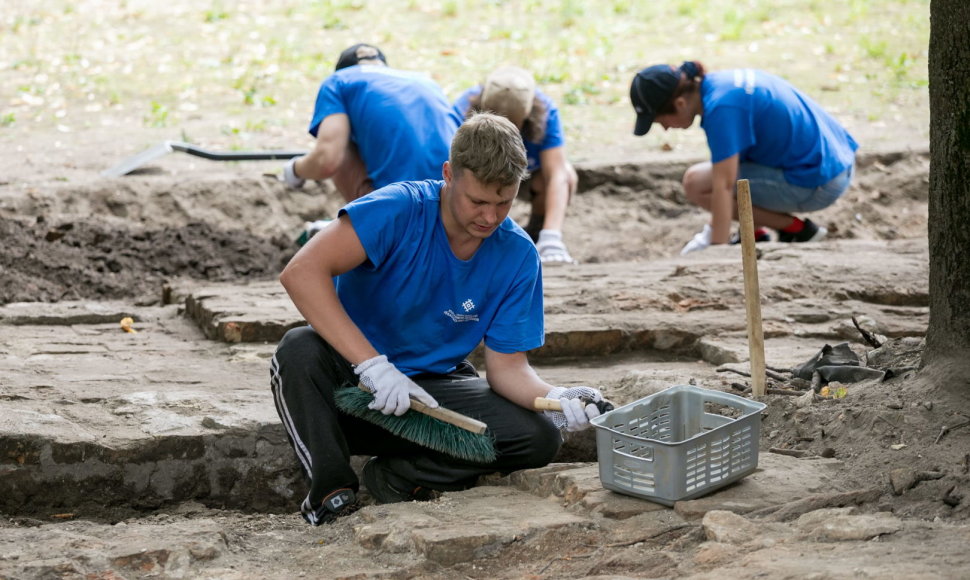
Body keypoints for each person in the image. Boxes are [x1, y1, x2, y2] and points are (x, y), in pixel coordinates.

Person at [270, 112, 608, 526]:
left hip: (431, 396)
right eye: (478, 201)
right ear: (449, 174)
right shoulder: (398, 209)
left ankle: (398, 476)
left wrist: (557, 399)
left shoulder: (518, 256)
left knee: (538, 437)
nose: (490, 217)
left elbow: (507, 369)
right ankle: (331, 493)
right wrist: (373, 365)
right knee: (298, 349)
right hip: (351, 390)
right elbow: (301, 272)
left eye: (504, 202)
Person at [629, 61, 859, 255]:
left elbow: (725, 185)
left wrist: (717, 249)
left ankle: (797, 230)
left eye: (661, 122)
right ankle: (755, 233)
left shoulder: (722, 109)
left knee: (698, 186)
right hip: (832, 161)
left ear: (679, 104)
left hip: (820, 181)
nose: (666, 129)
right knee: (703, 178)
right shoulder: (720, 85)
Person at [282, 43, 462, 204]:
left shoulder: (338, 81)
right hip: (456, 197)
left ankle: (363, 227)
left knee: (341, 142)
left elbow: (327, 160)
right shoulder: (425, 81)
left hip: (403, 206)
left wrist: (294, 170)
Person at [453, 66, 579, 264]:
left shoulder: (545, 111)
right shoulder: (460, 110)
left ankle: (538, 234)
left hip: (527, 177)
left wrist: (551, 237)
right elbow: (451, 169)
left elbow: (557, 174)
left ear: (527, 115)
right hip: (478, 178)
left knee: (567, 174)